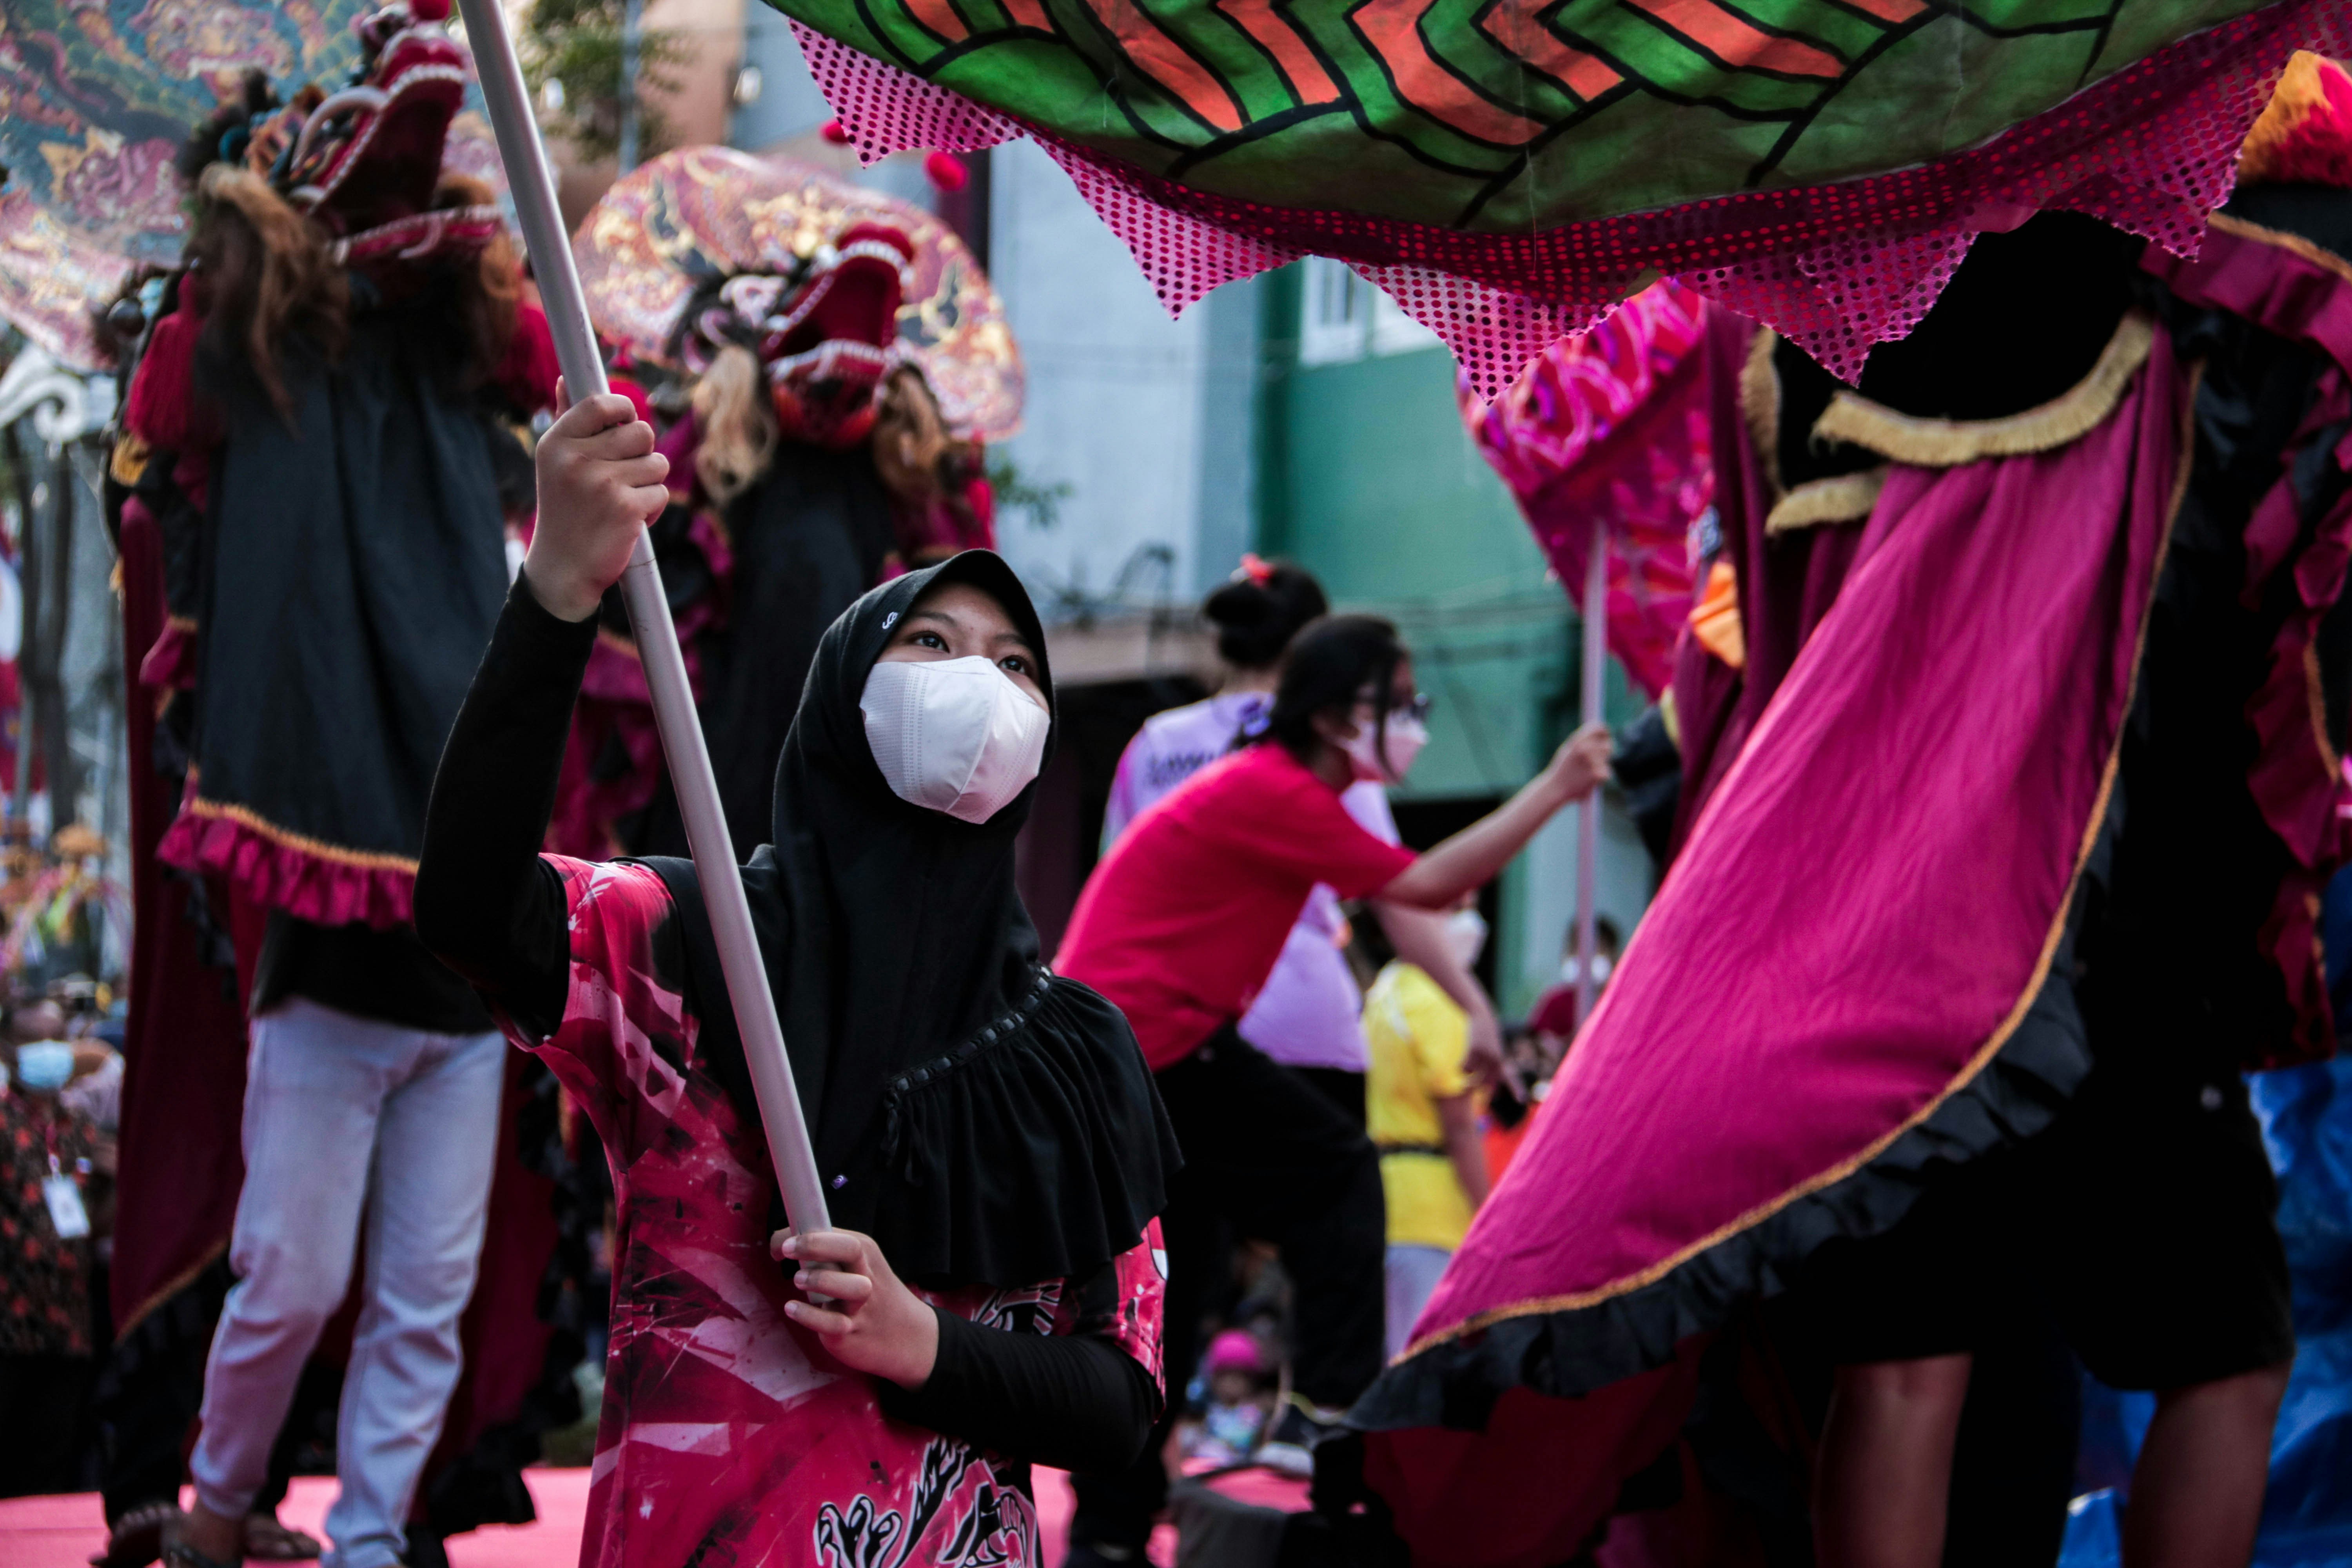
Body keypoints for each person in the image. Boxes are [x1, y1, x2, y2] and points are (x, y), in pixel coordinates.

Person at [411, 387, 1179, 1566]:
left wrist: (922, 1340)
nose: (979, 682)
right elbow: (468, 903)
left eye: (1016, 662)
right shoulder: (689, 942)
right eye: (930, 642)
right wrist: (558, 590)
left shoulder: (1075, 1057)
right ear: (841, 696)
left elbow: (1118, 1403)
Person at [1056, 610, 1610, 1554]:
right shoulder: (1277, 789)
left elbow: (1408, 900)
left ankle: (1109, 1531)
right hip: (1136, 1054)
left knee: (1169, 1288)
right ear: (1330, 714)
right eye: (1395, 702)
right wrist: (1556, 786)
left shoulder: (1273, 786)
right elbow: (1427, 886)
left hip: (1144, 1051)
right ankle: (1321, 1418)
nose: (1413, 720)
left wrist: (1473, 1000)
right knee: (1338, 1172)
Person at [1103, 556, 1508, 1114]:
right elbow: (1402, 897)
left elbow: (1114, 886)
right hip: (1300, 1020)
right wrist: (1472, 1003)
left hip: (1165, 1033)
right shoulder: (1323, 746)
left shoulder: (1153, 745)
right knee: (1339, 1186)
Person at [1363, 900, 1494, 1360]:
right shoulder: (1438, 996)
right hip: (1434, 1211)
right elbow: (1459, 1125)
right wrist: (1491, 1218)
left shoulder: (1386, 989)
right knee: (1420, 1363)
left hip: (1388, 1199)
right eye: (1454, 903)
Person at [0, 1038, 102, 1498]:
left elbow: (93, 1206)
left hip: (68, 1312)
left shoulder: (80, 1126)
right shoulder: (4, 1120)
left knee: (55, 1440)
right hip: (9, 1311)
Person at [1525, 914, 1619, 1045]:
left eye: (1598, 950)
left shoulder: (1621, 1001)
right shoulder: (1556, 1002)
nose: (1586, 958)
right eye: (1577, 949)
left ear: (1613, 956)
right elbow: (1538, 1041)